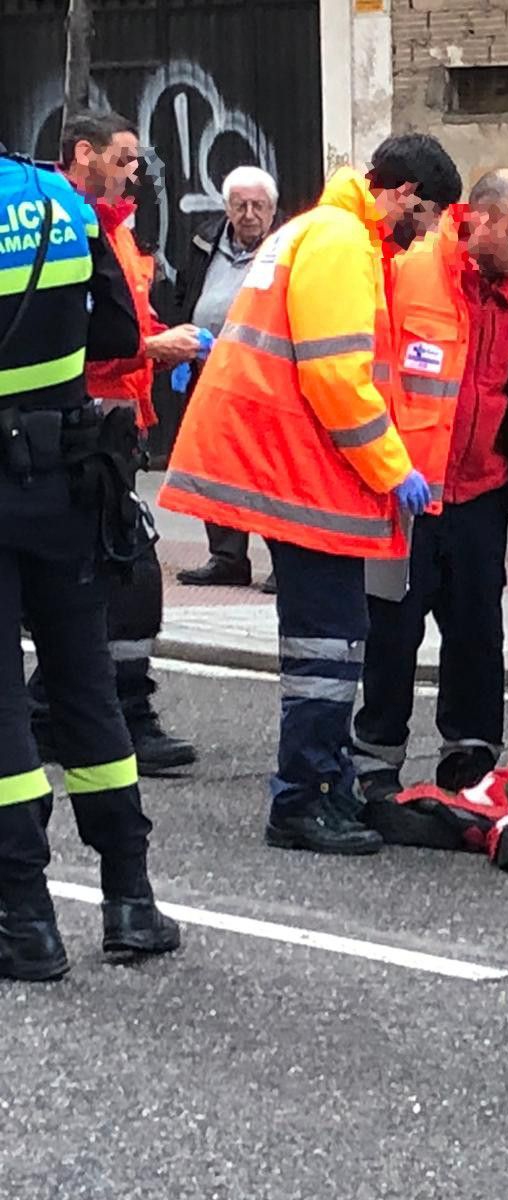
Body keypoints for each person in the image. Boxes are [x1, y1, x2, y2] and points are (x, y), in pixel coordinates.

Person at [159, 133, 461, 856]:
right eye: (427, 217)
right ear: (404, 196)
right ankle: (303, 798)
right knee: (326, 648)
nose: (425, 235)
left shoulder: (321, 232)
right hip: (301, 471)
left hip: (291, 465)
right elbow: (336, 376)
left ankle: (322, 783)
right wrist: (394, 468)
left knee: (325, 642)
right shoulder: (342, 243)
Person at [0, 149, 181, 980]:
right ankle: (130, 901)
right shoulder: (55, 199)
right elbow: (115, 332)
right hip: (70, 481)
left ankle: (26, 925)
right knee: (86, 688)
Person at [352, 169, 508, 809]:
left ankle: (471, 755)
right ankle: (375, 758)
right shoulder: (408, 271)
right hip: (411, 490)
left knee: (478, 626)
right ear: (478, 219)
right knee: (393, 625)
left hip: (484, 493)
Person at [46, 112, 201, 774]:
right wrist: (153, 347)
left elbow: (125, 320)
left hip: (116, 430)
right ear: (86, 154)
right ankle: (117, 712)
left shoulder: (115, 231)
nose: (136, 171)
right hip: (79, 433)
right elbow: (82, 340)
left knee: (103, 578)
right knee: (126, 577)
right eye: (125, 157)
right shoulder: (65, 231)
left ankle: (62, 708)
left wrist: (161, 341)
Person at [171, 165, 281, 590]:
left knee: (267, 470)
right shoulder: (205, 240)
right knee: (214, 465)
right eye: (240, 205)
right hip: (208, 374)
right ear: (227, 208)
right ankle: (226, 557)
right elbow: (186, 289)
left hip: (263, 378)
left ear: (273, 210)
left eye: (258, 206)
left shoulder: (287, 246)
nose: (249, 213)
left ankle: (282, 558)